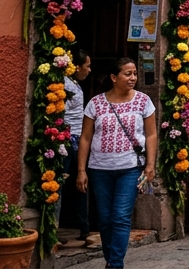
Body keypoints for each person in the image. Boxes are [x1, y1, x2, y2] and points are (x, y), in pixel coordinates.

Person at [76, 58, 157, 268]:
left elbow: (151, 135)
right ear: (114, 78)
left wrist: (150, 165)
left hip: (130, 168)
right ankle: (111, 259)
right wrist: (81, 170)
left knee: (120, 217)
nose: (133, 78)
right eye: (127, 74)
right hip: (99, 169)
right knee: (104, 219)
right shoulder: (95, 104)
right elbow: (85, 137)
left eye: (135, 74)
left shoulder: (143, 101)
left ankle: (115, 264)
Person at [60, 49, 92, 249]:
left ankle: (85, 226)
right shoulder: (64, 85)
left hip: (76, 139)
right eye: (87, 66)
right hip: (68, 140)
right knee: (60, 184)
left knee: (80, 183)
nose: (89, 70)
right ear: (77, 66)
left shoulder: (74, 85)